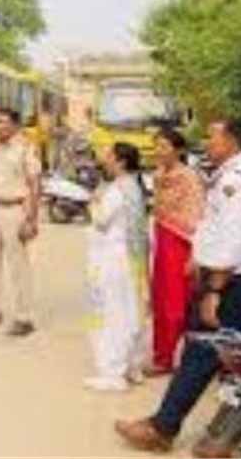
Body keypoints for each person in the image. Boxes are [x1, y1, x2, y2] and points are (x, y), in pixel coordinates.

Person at [115, 119, 241, 456]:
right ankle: (205, 433)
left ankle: (166, 428)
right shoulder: (229, 174)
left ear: (232, 141)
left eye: (212, 136)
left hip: (232, 281)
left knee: (206, 349)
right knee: (221, 354)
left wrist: (214, 289)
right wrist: (199, 258)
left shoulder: (235, 180)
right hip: (229, 277)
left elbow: (232, 237)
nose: (207, 142)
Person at [0, 108, 43, 336]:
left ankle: (24, 317)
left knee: (18, 266)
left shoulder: (25, 150)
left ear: (15, 125)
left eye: (2, 122)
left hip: (14, 210)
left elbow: (34, 185)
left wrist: (32, 219)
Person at [85, 142, 149, 391]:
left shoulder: (116, 190)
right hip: (129, 257)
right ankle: (132, 365)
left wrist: (93, 202)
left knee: (112, 312)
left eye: (109, 155)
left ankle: (113, 372)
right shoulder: (133, 186)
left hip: (113, 257)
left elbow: (101, 221)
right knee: (130, 310)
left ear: (121, 162)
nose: (104, 159)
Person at [148, 128, 205, 377]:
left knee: (177, 302)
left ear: (179, 150)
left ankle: (180, 357)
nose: (158, 151)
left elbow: (197, 215)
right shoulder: (159, 174)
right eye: (156, 146)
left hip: (181, 242)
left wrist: (194, 254)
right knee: (160, 299)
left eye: (164, 146)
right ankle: (162, 355)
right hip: (162, 239)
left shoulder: (189, 178)